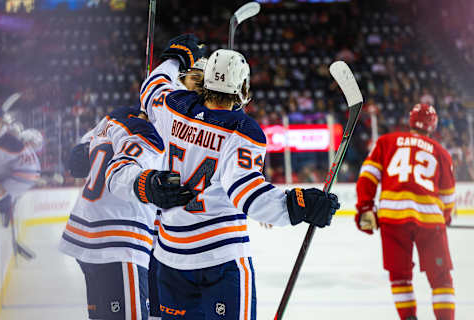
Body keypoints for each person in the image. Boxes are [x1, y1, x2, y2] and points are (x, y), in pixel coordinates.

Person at [138, 34, 340, 319]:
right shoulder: (242, 131)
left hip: (169, 258)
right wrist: (298, 205)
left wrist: (174, 60)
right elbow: (247, 194)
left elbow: (151, 90)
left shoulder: (174, 107)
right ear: (242, 88)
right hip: (221, 261)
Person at [59, 106, 192, 320]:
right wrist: (148, 185)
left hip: (88, 235)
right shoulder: (149, 131)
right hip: (120, 239)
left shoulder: (112, 121)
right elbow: (128, 174)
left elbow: (76, 161)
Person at [355, 104, 456, 320]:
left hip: (393, 218)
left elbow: (368, 176)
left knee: (400, 277)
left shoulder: (386, 141)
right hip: (430, 221)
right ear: (433, 125)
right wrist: (445, 218)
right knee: (442, 279)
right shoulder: (441, 153)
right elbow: (448, 197)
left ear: (410, 121)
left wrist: (366, 207)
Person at [0, 108, 40, 228]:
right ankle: (7, 205)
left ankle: (6, 204)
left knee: (1, 195)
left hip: (23, 175)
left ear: (2, 124)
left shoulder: (4, 143)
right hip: (25, 173)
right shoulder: (6, 139)